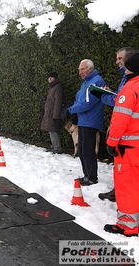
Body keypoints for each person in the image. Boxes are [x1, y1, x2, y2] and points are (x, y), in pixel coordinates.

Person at [104, 52, 139, 237]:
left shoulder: (130, 89)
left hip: (128, 149)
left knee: (127, 186)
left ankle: (127, 226)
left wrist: (111, 143)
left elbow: (119, 121)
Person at [94, 47, 135, 202]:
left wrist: (103, 96)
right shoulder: (125, 78)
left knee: (128, 169)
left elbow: (123, 104)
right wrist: (106, 94)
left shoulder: (132, 80)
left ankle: (124, 197)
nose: (117, 61)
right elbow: (120, 101)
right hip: (125, 133)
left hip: (129, 134)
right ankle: (118, 191)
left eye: (120, 58)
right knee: (122, 168)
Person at [68, 59, 105, 186]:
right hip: (83, 120)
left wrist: (71, 110)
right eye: (79, 69)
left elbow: (88, 103)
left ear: (90, 69)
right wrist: (75, 112)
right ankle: (86, 175)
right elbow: (78, 99)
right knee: (82, 150)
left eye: (82, 69)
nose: (80, 72)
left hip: (91, 121)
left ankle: (92, 177)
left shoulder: (97, 82)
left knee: (88, 150)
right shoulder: (86, 83)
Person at [41, 72, 64, 154]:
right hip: (50, 112)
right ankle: (54, 146)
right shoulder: (53, 87)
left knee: (53, 130)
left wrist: (56, 115)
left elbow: (58, 102)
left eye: (52, 77)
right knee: (51, 130)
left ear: (55, 78)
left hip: (52, 113)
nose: (50, 79)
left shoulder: (57, 87)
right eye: (49, 77)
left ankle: (57, 148)